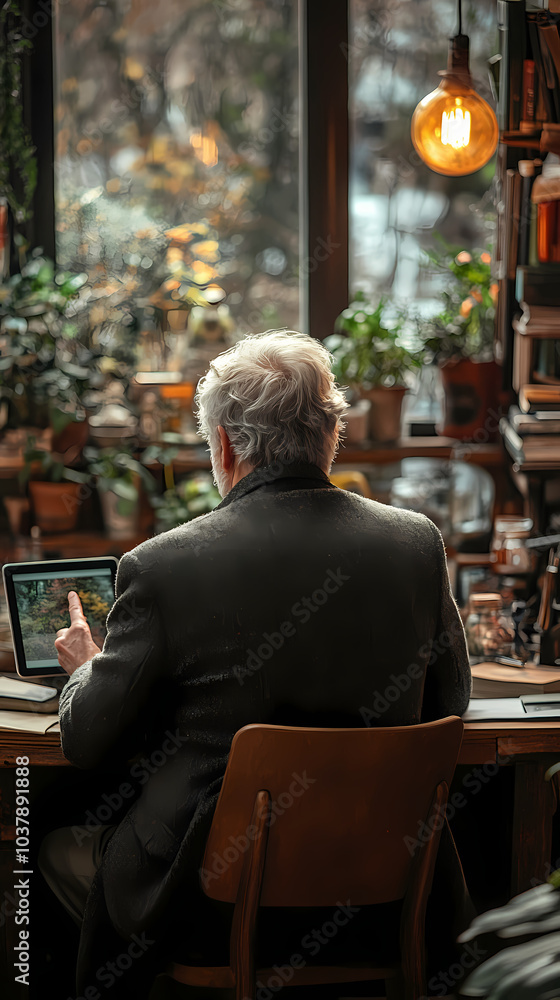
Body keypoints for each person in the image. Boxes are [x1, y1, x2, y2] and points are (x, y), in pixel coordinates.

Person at [39, 330, 472, 998]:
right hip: (382, 902)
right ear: (331, 437)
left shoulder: (161, 566)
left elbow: (88, 740)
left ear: (225, 445)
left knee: (53, 845)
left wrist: (83, 669)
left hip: (203, 907)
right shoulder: (416, 545)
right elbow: (452, 702)